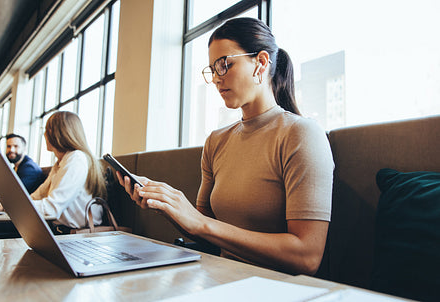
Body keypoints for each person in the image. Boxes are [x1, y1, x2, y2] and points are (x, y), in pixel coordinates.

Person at [118, 17, 334, 275]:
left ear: (261, 63)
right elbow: (202, 230)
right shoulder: (216, 141)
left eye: (224, 65)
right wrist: (166, 205)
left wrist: (201, 223)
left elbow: (307, 256)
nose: (217, 79)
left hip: (274, 287)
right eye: (212, 69)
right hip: (218, 276)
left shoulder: (301, 134)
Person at [0, 111, 106, 232]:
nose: (44, 135)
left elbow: (51, 208)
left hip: (76, 236)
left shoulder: (76, 159)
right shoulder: (60, 163)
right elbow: (35, 197)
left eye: (47, 130)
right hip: (58, 231)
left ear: (56, 133)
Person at [0, 133, 46, 199]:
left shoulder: (29, 168)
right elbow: (5, 190)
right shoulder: (17, 167)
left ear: (24, 149)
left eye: (16, 146)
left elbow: (11, 194)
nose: (11, 150)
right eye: (9, 146)